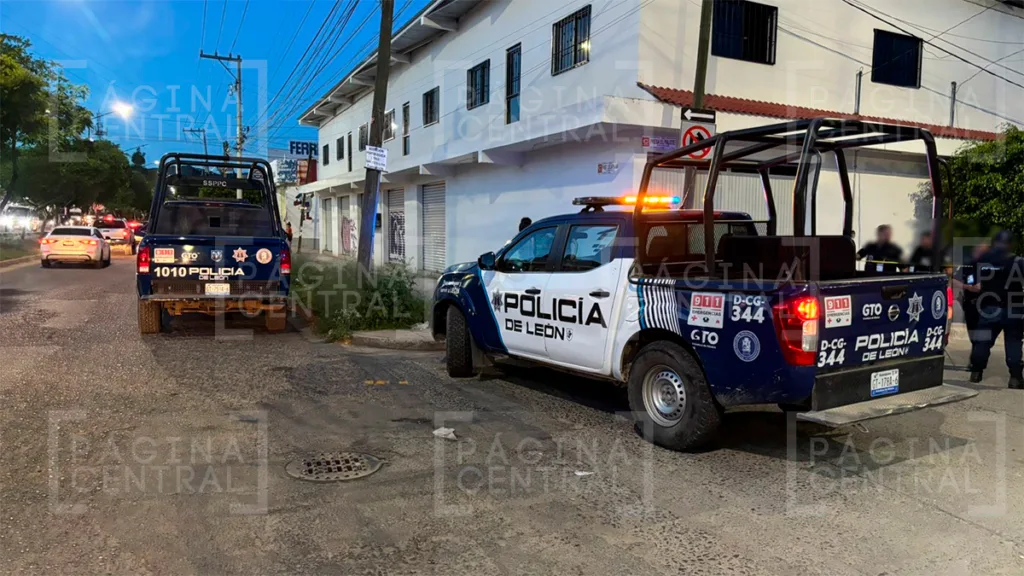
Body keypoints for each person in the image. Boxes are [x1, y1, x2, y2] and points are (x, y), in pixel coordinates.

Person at [966, 230, 1024, 389]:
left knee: (982, 341)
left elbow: (972, 281)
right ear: (1011, 244)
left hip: (989, 308)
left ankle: (976, 373)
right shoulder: (1019, 262)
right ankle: (1015, 378)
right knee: (1013, 342)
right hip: (1013, 309)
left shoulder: (983, 261)